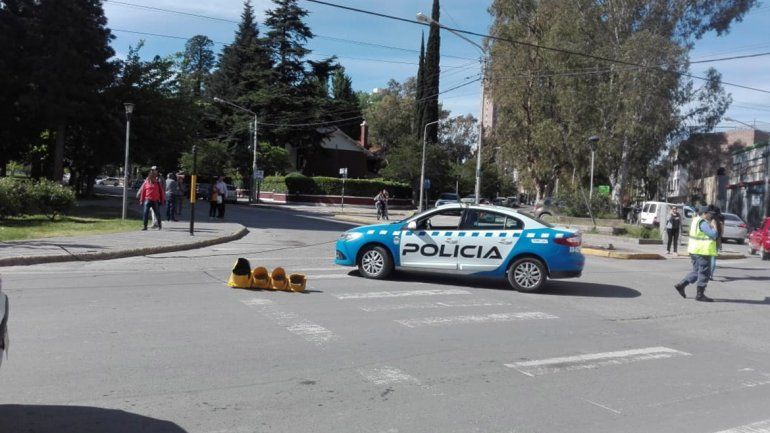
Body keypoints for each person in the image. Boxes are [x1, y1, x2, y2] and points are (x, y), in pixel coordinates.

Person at [674, 205, 718, 302]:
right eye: (709, 214)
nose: (711, 216)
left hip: (694, 250)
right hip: (702, 252)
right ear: (704, 214)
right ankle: (700, 295)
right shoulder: (703, 223)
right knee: (704, 273)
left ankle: (681, 285)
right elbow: (713, 235)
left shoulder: (695, 220)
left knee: (696, 271)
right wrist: (714, 226)